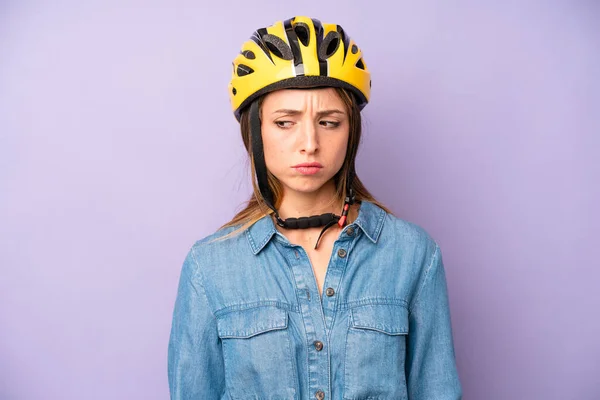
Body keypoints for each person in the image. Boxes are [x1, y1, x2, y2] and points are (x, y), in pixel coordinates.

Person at [168, 15, 462, 400]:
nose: (309, 142)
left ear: (351, 131)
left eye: (329, 121)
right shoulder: (209, 266)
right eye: (285, 123)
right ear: (255, 132)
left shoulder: (412, 253)